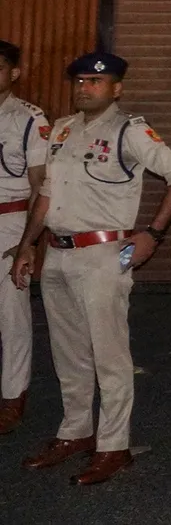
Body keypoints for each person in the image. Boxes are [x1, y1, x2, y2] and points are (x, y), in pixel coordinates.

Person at [12, 51, 171, 486]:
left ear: (117, 88)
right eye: (79, 82)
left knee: (109, 355)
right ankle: (75, 431)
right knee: (69, 352)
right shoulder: (61, 130)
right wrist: (26, 246)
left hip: (103, 255)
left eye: (95, 82)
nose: (85, 88)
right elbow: (46, 196)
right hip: (58, 253)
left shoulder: (129, 130)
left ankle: (114, 446)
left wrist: (152, 233)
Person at [0, 41, 49, 436]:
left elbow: (39, 185)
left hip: (9, 220)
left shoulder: (29, 119)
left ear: (13, 73)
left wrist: (28, 242)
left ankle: (13, 396)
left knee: (11, 313)